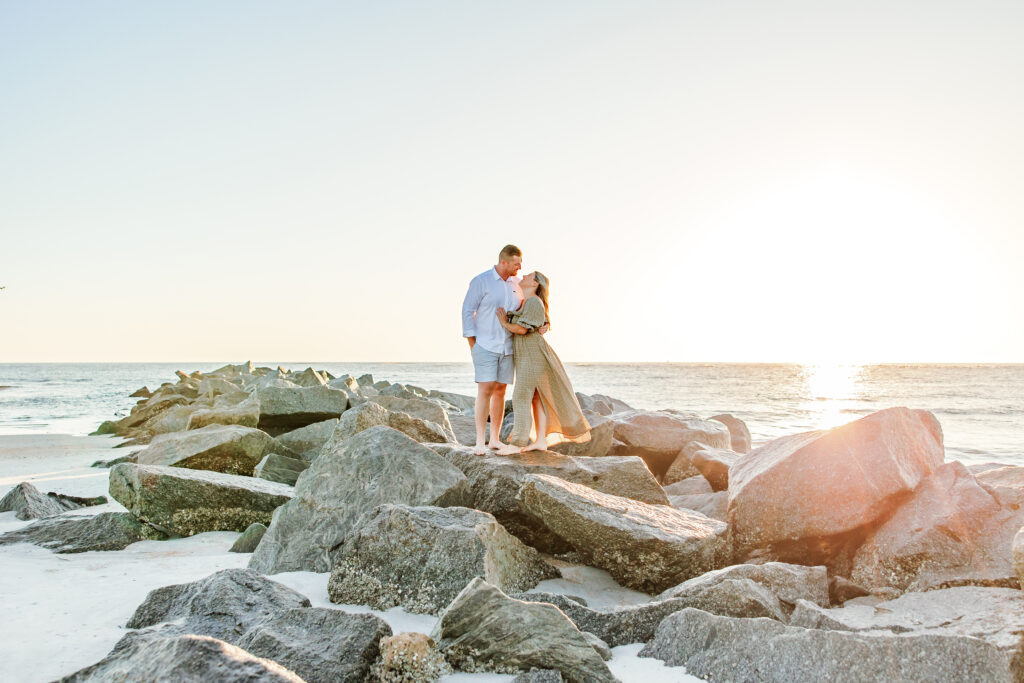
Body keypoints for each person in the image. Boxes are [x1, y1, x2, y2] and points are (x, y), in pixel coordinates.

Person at [494, 271, 590, 454]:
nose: (523, 276)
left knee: (521, 396)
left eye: (528, 276)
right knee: (537, 399)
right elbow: (541, 318)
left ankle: (517, 444)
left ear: (535, 283)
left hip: (533, 355)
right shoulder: (528, 302)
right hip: (529, 354)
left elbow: (522, 330)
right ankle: (540, 441)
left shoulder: (532, 302)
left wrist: (504, 323)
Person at [461, 245, 525, 455]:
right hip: (485, 344)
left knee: (500, 391)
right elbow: (468, 311)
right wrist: (473, 344)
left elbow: (525, 308)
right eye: (516, 264)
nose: (519, 267)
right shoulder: (482, 281)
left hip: (507, 346)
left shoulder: (516, 284)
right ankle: (480, 441)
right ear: (504, 261)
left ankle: (495, 440)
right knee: (485, 389)